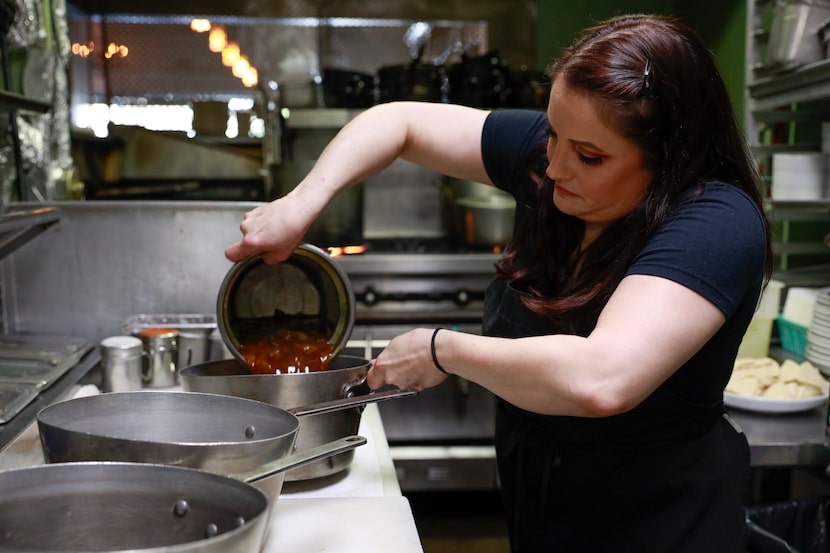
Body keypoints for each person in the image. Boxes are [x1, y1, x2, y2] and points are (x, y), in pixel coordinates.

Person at [225, 13, 772, 553]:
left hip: (660, 519)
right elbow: (398, 122)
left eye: (589, 156)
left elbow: (603, 378)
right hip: (543, 498)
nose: (554, 166)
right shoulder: (555, 162)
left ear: (669, 159)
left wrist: (443, 352)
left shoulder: (715, 223)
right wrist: (301, 202)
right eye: (555, 134)